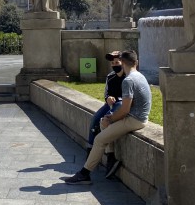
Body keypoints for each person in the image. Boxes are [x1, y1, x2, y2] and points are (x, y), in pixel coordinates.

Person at [64, 50, 151, 185]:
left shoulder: (128, 80)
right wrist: (109, 119)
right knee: (102, 123)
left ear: (122, 63)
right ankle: (111, 156)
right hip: (139, 116)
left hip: (135, 120)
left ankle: (84, 174)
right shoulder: (140, 76)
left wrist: (110, 118)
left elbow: (125, 109)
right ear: (136, 63)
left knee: (99, 139)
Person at [84, 51, 125, 158]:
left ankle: (108, 153)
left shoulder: (128, 77)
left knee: (106, 119)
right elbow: (106, 93)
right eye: (113, 63)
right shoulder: (110, 77)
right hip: (110, 104)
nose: (115, 65)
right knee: (95, 119)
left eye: (117, 62)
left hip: (122, 105)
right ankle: (90, 148)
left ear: (122, 62)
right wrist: (108, 99)